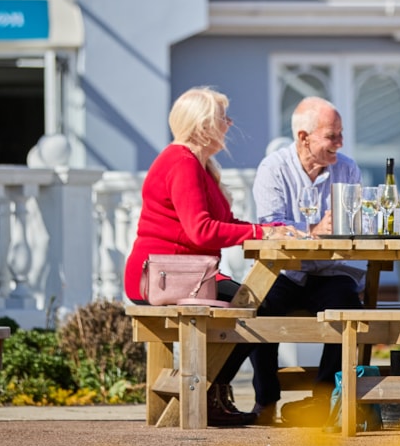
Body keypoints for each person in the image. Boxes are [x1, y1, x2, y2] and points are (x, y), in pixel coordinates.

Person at [124, 86, 297, 427]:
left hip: (186, 275)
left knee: (258, 302)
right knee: (257, 307)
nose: (229, 124)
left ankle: (221, 389)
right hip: (165, 278)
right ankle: (209, 389)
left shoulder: (196, 164)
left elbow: (221, 224)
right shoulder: (182, 163)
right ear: (203, 124)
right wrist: (262, 234)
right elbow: (201, 230)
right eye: (222, 118)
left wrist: (272, 228)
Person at [250, 96, 365, 425]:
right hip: (287, 271)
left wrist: (341, 229)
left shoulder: (347, 168)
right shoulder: (274, 168)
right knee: (259, 310)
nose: (340, 143)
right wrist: (312, 230)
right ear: (303, 137)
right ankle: (266, 401)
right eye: (332, 136)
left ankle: (323, 401)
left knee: (347, 309)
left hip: (331, 271)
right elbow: (272, 227)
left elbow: (354, 227)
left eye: (341, 135)